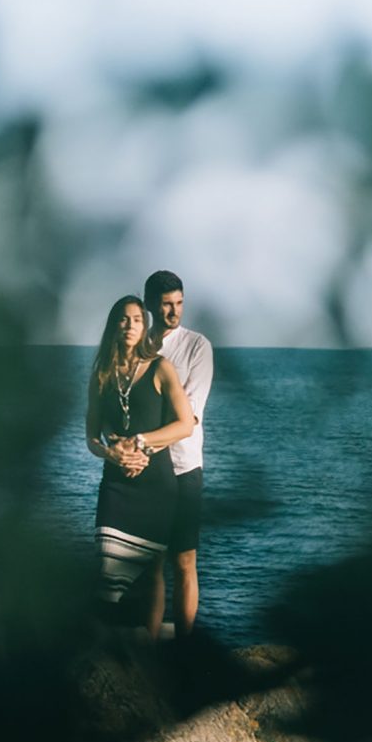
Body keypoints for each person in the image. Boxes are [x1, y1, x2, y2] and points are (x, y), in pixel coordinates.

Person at [86, 295, 194, 640]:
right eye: (123, 319)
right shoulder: (101, 374)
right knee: (105, 567)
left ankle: (147, 654)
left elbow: (185, 425)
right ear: (113, 326)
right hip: (116, 485)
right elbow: (91, 436)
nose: (130, 325)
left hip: (156, 487)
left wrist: (141, 443)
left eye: (136, 319)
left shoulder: (162, 368)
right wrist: (111, 453)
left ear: (144, 327)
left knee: (153, 574)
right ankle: (104, 652)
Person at [143, 270, 213, 636]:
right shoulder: (140, 346)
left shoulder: (197, 346)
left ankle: (185, 649)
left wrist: (141, 438)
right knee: (151, 562)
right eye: (168, 304)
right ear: (152, 304)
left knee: (184, 561)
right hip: (147, 471)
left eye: (180, 303)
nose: (175, 311)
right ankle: (151, 645)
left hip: (184, 467)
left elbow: (190, 414)